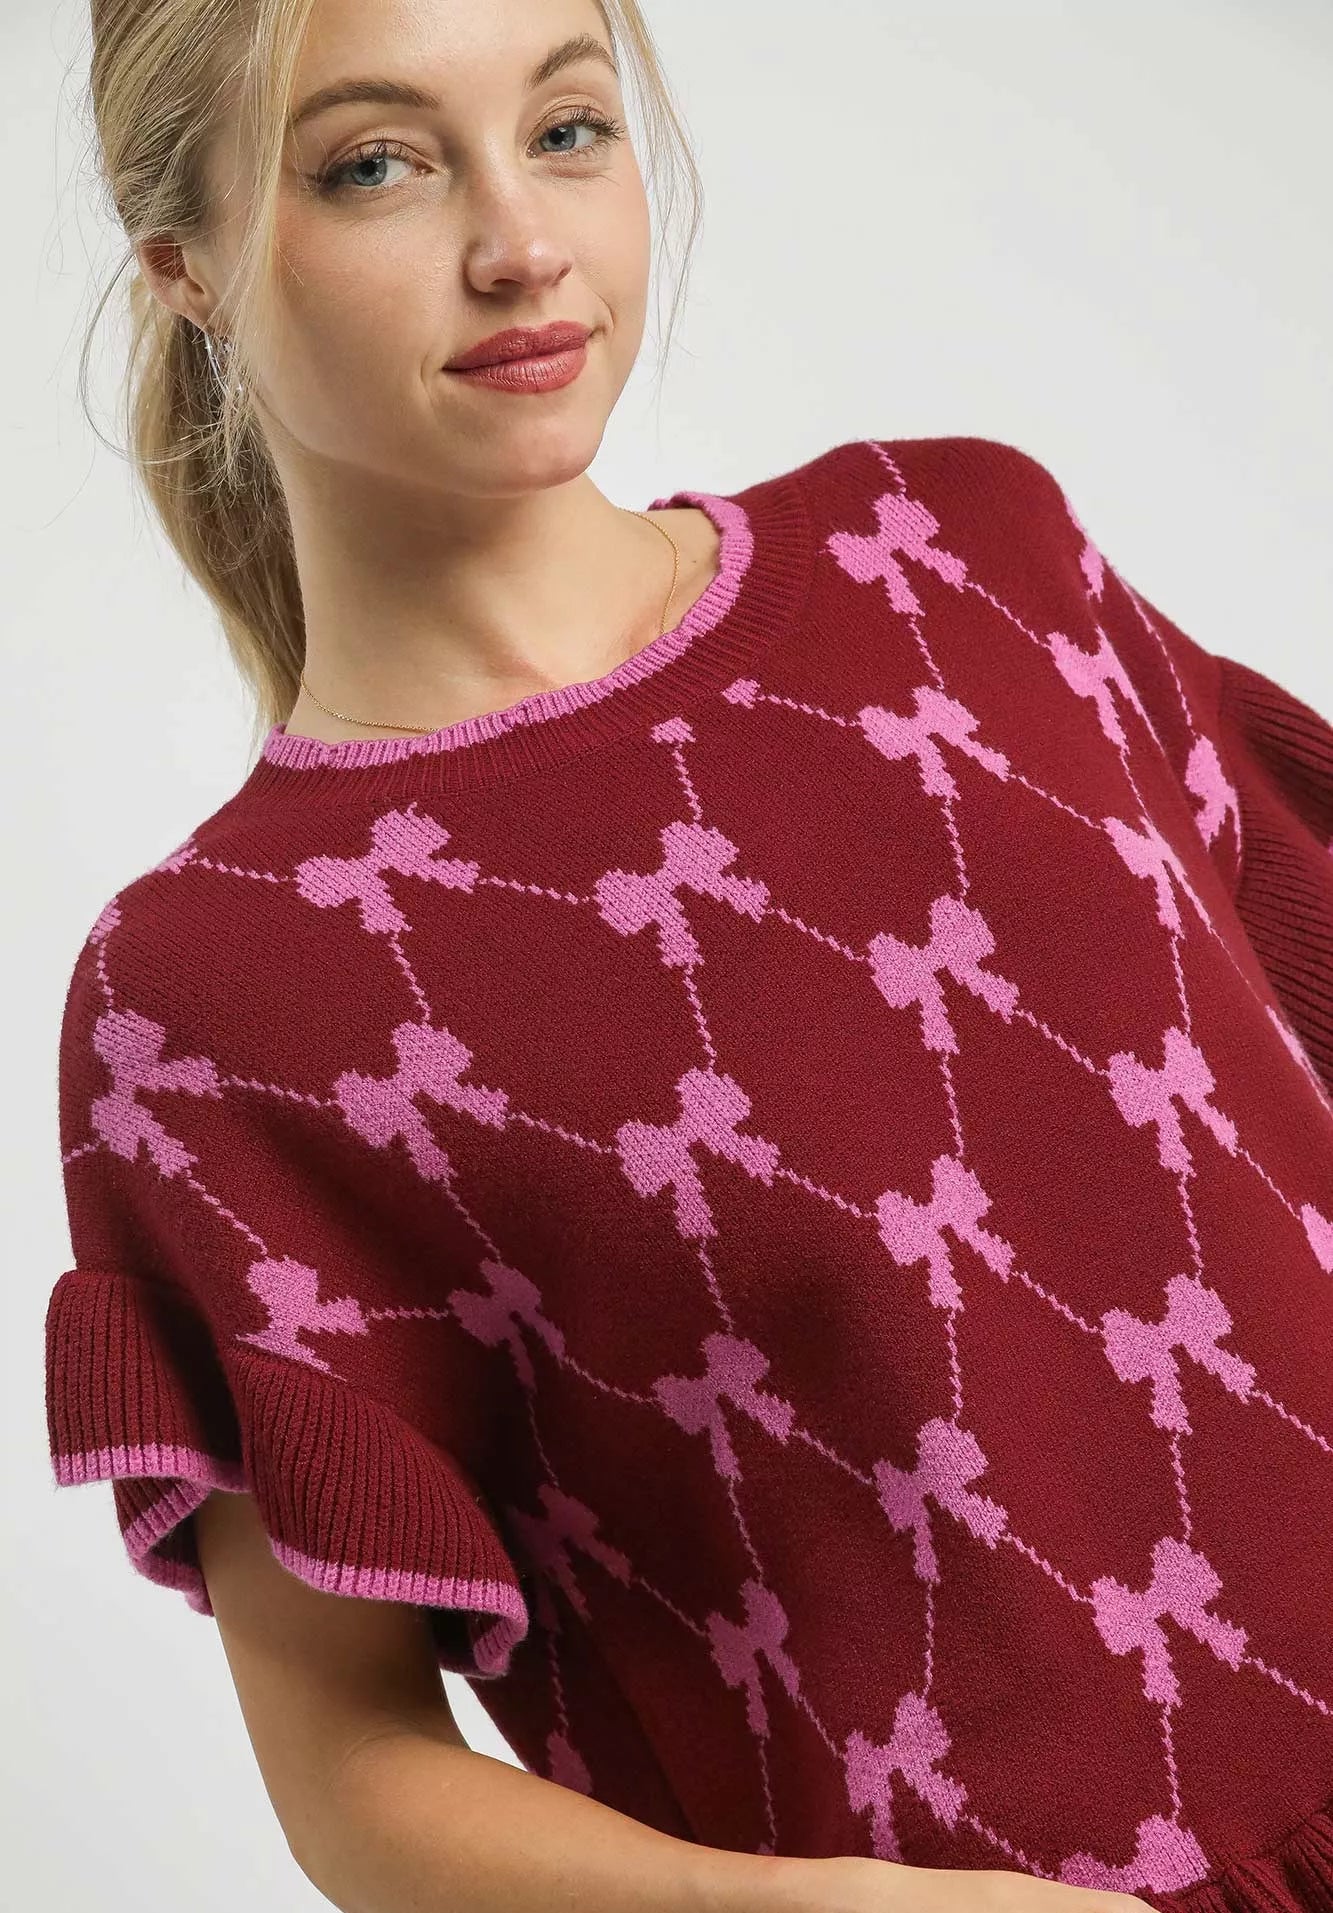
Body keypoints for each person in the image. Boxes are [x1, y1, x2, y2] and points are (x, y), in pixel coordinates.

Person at [45, 1, 1333, 1911]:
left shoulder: (958, 551)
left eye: (568, 128)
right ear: (187, 266)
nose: (521, 243)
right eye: (377, 165)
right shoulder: (215, 992)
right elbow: (354, 1773)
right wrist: (814, 1912)